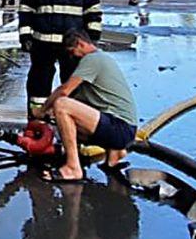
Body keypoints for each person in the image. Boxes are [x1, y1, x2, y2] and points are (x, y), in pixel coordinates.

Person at [38, 28, 139, 182]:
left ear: (80, 44)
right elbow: (80, 104)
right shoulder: (100, 61)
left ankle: (73, 168)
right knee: (62, 119)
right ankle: (115, 152)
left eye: (72, 52)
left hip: (120, 127)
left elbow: (64, 90)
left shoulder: (92, 59)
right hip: (124, 128)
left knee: (62, 105)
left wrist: (42, 110)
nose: (71, 57)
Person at [19, 0, 103, 117]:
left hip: (71, 47)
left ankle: (73, 117)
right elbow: (25, 11)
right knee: (38, 84)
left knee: (73, 83)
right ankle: (37, 117)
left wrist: (92, 36)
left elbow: (93, 10)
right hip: (42, 45)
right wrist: (25, 36)